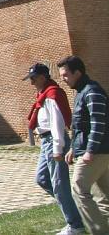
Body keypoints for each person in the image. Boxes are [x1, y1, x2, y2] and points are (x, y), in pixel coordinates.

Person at [24, 62, 84, 235]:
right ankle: (74, 211)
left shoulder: (52, 94)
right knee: (42, 178)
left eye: (34, 78)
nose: (32, 82)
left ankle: (75, 224)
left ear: (43, 77)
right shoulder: (43, 94)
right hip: (46, 142)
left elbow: (57, 124)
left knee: (59, 184)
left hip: (53, 141)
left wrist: (58, 149)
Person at [58, 55, 109, 234]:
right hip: (92, 152)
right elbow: (80, 127)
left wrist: (90, 151)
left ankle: (99, 231)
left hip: (96, 152)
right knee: (103, 196)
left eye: (65, 75)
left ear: (77, 72)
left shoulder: (92, 91)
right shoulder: (82, 91)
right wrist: (73, 148)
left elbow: (98, 123)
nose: (63, 79)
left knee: (78, 190)